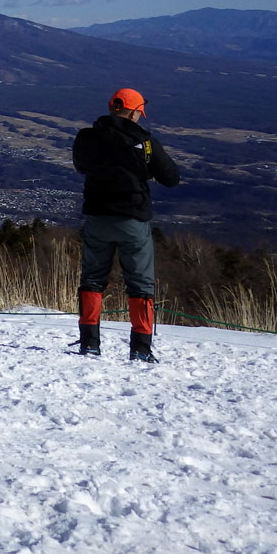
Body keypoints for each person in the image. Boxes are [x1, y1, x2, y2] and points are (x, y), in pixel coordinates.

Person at [72, 87, 180, 362]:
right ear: (134, 112)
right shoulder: (144, 142)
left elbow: (81, 165)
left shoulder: (88, 137)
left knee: (92, 279)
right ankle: (141, 348)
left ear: (111, 107)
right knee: (140, 283)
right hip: (133, 218)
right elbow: (171, 177)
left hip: (97, 216)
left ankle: (89, 344)